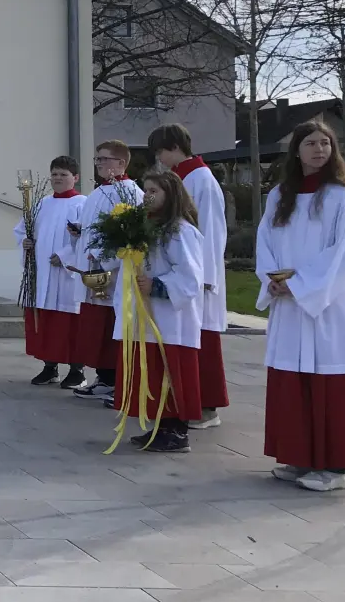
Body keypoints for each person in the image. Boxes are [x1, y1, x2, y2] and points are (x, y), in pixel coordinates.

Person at [257, 119, 345, 492]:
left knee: (330, 381)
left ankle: (336, 468)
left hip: (330, 306)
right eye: (311, 143)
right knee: (294, 380)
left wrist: (302, 285)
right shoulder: (279, 196)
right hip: (290, 304)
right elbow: (265, 241)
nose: (319, 149)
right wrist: (272, 281)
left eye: (325, 143)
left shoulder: (342, 196)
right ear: (296, 150)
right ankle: (300, 456)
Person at [108, 169, 204, 453]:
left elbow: (191, 276)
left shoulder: (181, 231)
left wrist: (158, 285)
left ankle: (177, 430)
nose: (147, 196)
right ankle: (161, 425)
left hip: (170, 318)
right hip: (145, 314)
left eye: (154, 191)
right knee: (152, 369)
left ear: (171, 195)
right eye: (146, 190)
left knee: (169, 369)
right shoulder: (143, 229)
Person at [149, 124, 228, 429]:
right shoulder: (182, 178)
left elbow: (210, 230)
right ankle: (185, 402)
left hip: (199, 277)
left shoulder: (201, 179)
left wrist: (205, 276)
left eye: (160, 151)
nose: (159, 158)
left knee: (202, 342)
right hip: (183, 271)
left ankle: (208, 406)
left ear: (174, 147)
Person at [68, 139, 143, 400]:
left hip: (112, 273)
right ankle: (103, 378)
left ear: (121, 163)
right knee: (95, 327)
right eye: (97, 159)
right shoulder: (98, 192)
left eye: (105, 159)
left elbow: (129, 235)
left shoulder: (130, 193)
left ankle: (116, 381)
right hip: (93, 271)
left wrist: (101, 254)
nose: (99, 163)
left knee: (112, 325)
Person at [15, 156, 88, 388]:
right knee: (46, 323)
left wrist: (66, 257)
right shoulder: (41, 203)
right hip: (43, 273)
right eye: (54, 174)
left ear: (75, 178)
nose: (57, 178)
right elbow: (22, 230)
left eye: (63, 174)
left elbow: (86, 236)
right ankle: (50, 367)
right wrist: (25, 242)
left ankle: (77, 371)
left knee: (69, 324)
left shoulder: (82, 204)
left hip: (67, 276)